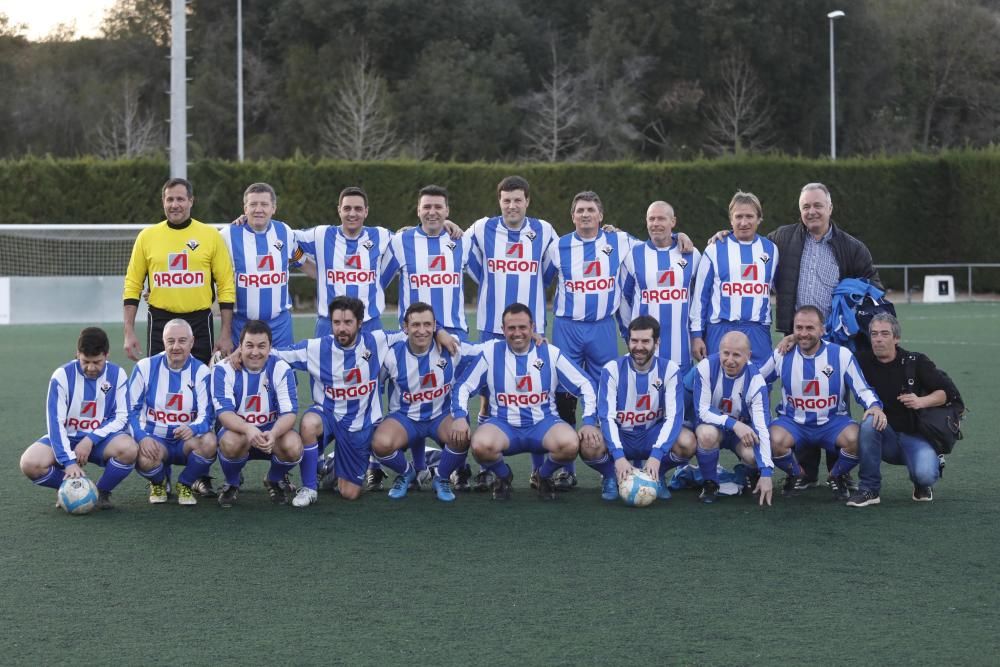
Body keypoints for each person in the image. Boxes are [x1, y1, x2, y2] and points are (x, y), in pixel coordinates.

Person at [267, 296, 456, 506]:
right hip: (328, 415)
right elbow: (274, 354)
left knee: (349, 493)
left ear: (359, 323)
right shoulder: (315, 348)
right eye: (337, 322)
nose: (341, 328)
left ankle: (332, 464)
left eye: (348, 322)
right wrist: (241, 353)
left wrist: (440, 332)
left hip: (360, 425)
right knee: (309, 422)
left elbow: (414, 331)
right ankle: (309, 488)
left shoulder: (377, 341)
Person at [464, 175, 559, 491]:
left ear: (527, 201)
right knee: (488, 400)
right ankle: (489, 469)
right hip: (492, 326)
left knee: (536, 398)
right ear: (499, 201)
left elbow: (552, 268)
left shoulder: (544, 230)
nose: (512, 205)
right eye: (506, 200)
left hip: (532, 330)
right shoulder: (481, 228)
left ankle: (538, 471)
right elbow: (462, 255)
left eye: (518, 199)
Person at [450, 303, 601, 500]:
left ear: (532, 328)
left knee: (570, 444)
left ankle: (543, 475)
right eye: (511, 328)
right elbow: (463, 386)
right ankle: (504, 476)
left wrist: (589, 421)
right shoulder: (491, 353)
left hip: (544, 423)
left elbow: (586, 383)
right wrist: (460, 417)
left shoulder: (549, 353)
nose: (517, 333)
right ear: (503, 330)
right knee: (479, 446)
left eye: (522, 327)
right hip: (503, 426)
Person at [759, 306, 885, 500]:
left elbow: (862, 389)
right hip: (793, 422)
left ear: (822, 329)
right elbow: (758, 381)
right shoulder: (782, 354)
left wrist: (874, 406)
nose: (803, 333)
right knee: (769, 440)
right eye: (798, 328)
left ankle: (836, 475)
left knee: (858, 439)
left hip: (832, 422)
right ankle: (796, 474)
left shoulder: (841, 355)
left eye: (810, 328)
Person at [545, 191, 634, 444]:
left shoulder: (620, 240)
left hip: (602, 327)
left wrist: (678, 236)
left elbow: (656, 245)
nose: (585, 214)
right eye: (580, 210)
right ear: (572, 216)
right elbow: (540, 281)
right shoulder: (558, 246)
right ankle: (564, 465)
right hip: (567, 327)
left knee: (606, 388)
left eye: (590, 210)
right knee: (563, 391)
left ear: (601, 215)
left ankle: (607, 461)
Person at [19, 327, 138, 510]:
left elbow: (122, 417)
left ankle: (101, 492)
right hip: (67, 437)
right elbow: (55, 422)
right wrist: (68, 462)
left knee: (129, 449)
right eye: (85, 361)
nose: (91, 368)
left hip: (100, 439)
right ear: (77, 354)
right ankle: (70, 489)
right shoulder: (62, 376)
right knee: (30, 463)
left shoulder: (117, 374)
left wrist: (91, 439)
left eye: (97, 362)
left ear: (106, 354)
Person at [123, 177, 236, 365]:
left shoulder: (210, 236)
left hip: (199, 322)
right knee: (159, 383)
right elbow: (132, 285)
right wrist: (129, 332)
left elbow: (226, 285)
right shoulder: (147, 237)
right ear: (163, 202)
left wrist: (225, 333)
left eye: (180, 199)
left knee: (199, 382)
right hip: (160, 320)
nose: (175, 205)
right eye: (170, 200)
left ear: (191, 201)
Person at [588, 315, 694, 502]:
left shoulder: (669, 370)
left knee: (687, 441)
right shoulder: (612, 369)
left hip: (651, 434)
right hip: (622, 434)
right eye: (634, 340)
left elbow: (674, 417)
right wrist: (618, 456)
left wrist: (657, 455)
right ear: (628, 340)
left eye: (645, 341)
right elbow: (606, 417)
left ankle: (657, 474)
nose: (639, 346)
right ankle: (611, 476)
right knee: (589, 444)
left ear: (657, 342)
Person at [848, 313, 949, 506]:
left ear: (896, 338)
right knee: (870, 421)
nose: (878, 339)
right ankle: (869, 490)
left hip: (916, 435)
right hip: (884, 435)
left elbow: (945, 394)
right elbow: (829, 356)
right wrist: (792, 338)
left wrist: (921, 401)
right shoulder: (861, 360)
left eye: (885, 334)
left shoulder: (916, 361)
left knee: (925, 475)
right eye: (874, 334)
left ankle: (924, 478)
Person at [371, 302, 465, 502]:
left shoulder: (451, 346)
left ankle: (441, 477)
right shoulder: (392, 355)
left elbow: (483, 354)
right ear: (405, 328)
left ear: (435, 326)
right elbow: (374, 386)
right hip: (404, 418)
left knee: (462, 437)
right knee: (380, 444)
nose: (421, 331)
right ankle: (407, 472)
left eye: (427, 325)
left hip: (439, 415)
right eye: (415, 325)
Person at [212, 320, 302, 507]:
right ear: (240, 346)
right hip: (238, 432)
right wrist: (248, 429)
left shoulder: (281, 368)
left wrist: (274, 433)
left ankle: (273, 478)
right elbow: (224, 413)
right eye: (249, 345)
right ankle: (232, 482)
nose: (255, 352)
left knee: (294, 446)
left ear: (270, 348)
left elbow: (290, 413)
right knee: (230, 442)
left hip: (271, 432)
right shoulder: (223, 369)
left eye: (262, 346)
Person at [129, 319, 218, 506]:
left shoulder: (201, 372)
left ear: (192, 342)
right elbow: (129, 411)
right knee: (142, 457)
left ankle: (185, 484)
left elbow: (208, 416)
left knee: (209, 442)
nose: (176, 346)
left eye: (182, 341)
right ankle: (159, 482)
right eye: (171, 341)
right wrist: (141, 436)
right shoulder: (145, 367)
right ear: (163, 341)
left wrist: (193, 428)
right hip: (155, 439)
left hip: (186, 442)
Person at [690, 191, 779, 367]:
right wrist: (696, 335)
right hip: (720, 329)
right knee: (719, 387)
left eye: (749, 216)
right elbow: (701, 296)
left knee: (760, 386)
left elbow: (781, 287)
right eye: (738, 216)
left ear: (759, 219)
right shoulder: (714, 248)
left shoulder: (771, 249)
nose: (744, 222)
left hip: (757, 331)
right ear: (731, 219)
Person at [294, 187, 394, 337]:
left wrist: (442, 227)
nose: (352, 213)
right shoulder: (322, 234)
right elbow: (285, 238)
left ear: (366, 211)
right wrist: (301, 261)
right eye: (347, 208)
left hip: (369, 324)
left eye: (358, 209)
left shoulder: (381, 235)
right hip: (329, 325)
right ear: (339, 210)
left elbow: (410, 240)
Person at [691, 331, 776, 505]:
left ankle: (750, 474)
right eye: (726, 353)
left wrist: (766, 471)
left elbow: (761, 427)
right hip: (716, 429)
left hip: (741, 434)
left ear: (748, 356)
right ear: (719, 351)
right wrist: (733, 423)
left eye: (736, 355)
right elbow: (703, 411)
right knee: (706, 435)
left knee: (753, 456)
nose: (730, 360)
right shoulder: (706, 367)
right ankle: (710, 483)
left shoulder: (756, 381)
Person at [619, 201, 702, 375]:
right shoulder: (633, 254)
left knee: (679, 401)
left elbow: (700, 300)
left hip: (681, 351)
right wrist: (630, 335)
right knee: (645, 401)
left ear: (673, 222)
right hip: (644, 353)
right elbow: (624, 299)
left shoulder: (692, 254)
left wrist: (697, 335)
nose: (656, 223)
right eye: (651, 219)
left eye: (661, 219)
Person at [381, 185, 472, 340]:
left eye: (438, 207)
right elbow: (377, 282)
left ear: (447, 211)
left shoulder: (462, 241)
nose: (432, 212)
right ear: (418, 210)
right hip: (414, 334)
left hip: (455, 333)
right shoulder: (400, 242)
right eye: (427, 207)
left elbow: (486, 277)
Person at [219, 182, 301, 348]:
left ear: (274, 208)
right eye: (253, 204)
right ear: (245, 208)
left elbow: (300, 261)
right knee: (242, 373)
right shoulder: (227, 236)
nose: (258, 209)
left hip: (280, 328)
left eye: (264, 204)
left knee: (281, 373)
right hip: (241, 328)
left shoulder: (285, 231)